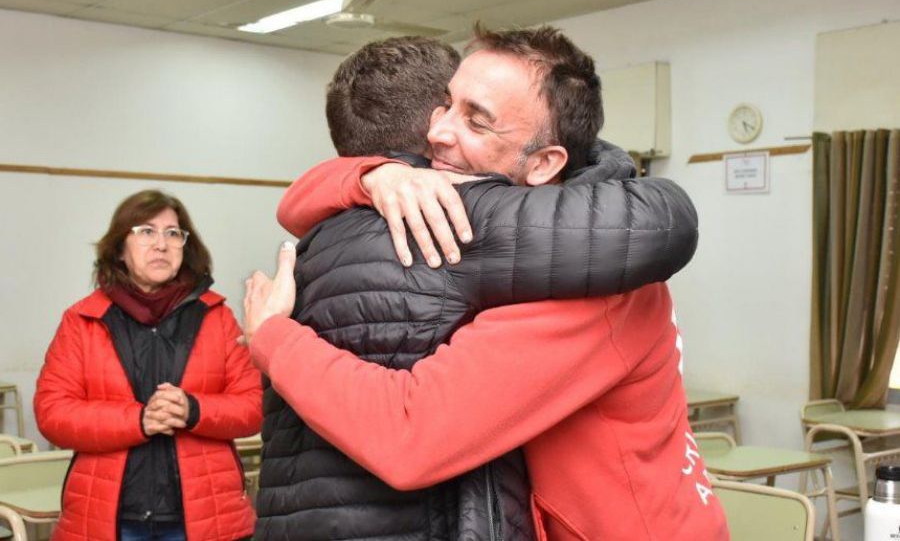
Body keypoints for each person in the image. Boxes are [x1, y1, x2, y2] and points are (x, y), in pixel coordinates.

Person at [249, 29, 726, 540]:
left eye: (477, 121)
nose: (436, 134)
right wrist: (374, 175)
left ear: (544, 164)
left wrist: (273, 337)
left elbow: (409, 435)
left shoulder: (593, 288)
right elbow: (299, 202)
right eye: (445, 105)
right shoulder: (548, 236)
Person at [34, 190, 261, 541]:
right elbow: (53, 413)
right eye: (146, 231)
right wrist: (138, 420)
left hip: (204, 519)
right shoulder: (82, 320)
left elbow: (253, 405)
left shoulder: (217, 317)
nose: (161, 244)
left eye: (173, 233)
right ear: (119, 250)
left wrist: (194, 409)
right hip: (111, 519)